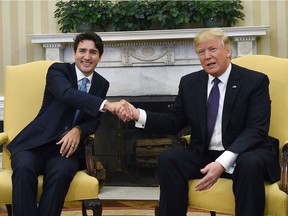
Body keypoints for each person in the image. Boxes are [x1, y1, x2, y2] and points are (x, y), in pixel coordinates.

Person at [115, 28, 280, 216]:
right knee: (169, 159)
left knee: (250, 164)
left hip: (245, 152)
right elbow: (174, 121)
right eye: (201, 52)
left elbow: (256, 129)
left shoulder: (254, 81)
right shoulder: (190, 83)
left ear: (228, 51)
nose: (207, 56)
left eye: (212, 49)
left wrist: (222, 162)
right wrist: (138, 115)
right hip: (204, 153)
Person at [7, 32, 130, 216]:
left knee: (61, 174)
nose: (87, 57)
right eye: (82, 51)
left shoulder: (101, 84)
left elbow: (94, 120)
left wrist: (79, 130)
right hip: (35, 145)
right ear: (75, 53)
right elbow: (68, 94)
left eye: (93, 52)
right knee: (24, 169)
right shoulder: (58, 71)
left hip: (66, 151)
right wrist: (106, 104)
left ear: (100, 57)